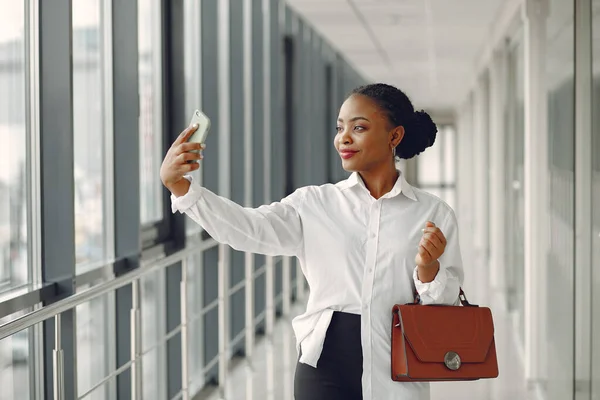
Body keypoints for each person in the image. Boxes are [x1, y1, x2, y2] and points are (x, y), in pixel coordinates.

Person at [160, 83, 464, 400]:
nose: (343, 138)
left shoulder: (433, 214)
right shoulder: (314, 204)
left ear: (394, 136)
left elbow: (448, 306)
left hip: (398, 369)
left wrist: (428, 269)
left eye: (358, 127)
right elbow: (249, 229)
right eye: (339, 127)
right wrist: (183, 189)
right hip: (325, 364)